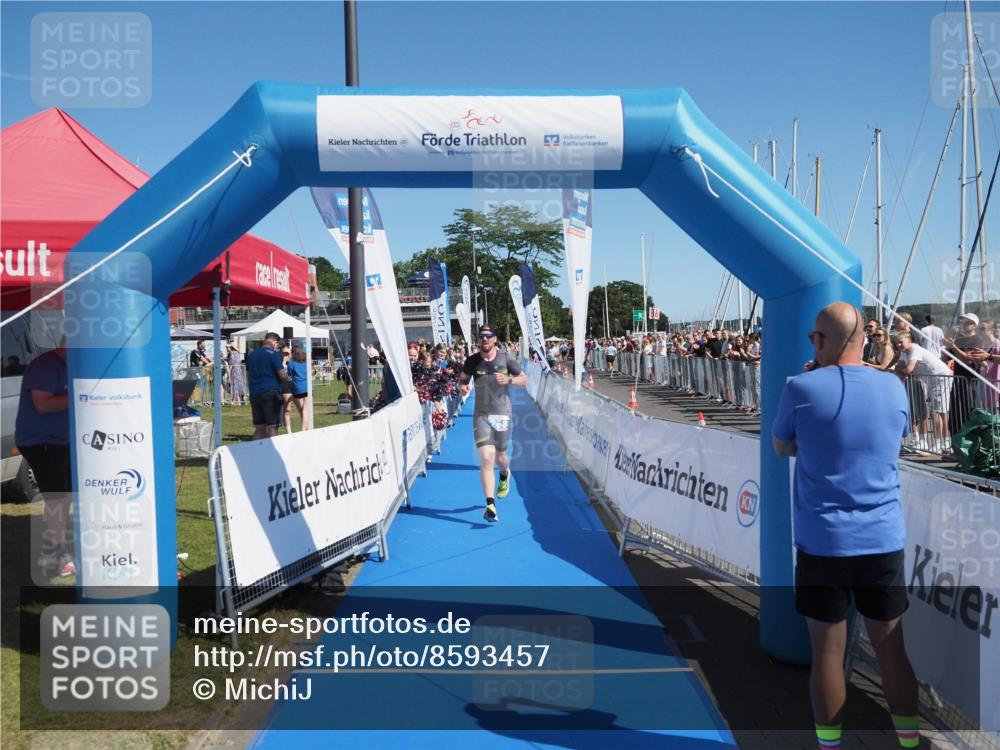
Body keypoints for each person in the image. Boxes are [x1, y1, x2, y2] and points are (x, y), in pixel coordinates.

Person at [772, 302, 919, 750]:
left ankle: (830, 745)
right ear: (863, 340)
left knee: (828, 653)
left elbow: (781, 446)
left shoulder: (800, 387)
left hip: (824, 541)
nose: (811, 343)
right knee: (891, 649)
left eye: (813, 337)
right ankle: (909, 743)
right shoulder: (892, 386)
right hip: (882, 538)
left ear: (822, 340)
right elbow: (895, 439)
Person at [15, 345, 74, 576]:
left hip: (59, 441)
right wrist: (79, 394)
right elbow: (43, 404)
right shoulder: (45, 366)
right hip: (41, 442)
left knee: (63, 496)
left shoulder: (67, 364)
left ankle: (53, 550)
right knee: (57, 499)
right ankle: (55, 554)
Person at [459, 325, 527, 523]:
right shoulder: (472, 361)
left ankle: (505, 474)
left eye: (488, 336)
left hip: (502, 413)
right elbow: (462, 380)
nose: (485, 339)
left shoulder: (506, 358)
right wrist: (462, 387)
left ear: (495, 339)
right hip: (481, 415)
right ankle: (490, 505)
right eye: (482, 336)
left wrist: (509, 380)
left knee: (500, 456)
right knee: (487, 458)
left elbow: (524, 380)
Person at [246, 332, 289, 440]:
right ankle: (272, 449)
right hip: (271, 393)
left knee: (259, 428)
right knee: (272, 426)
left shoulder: (252, 354)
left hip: (255, 393)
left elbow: (248, 374)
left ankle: (256, 449)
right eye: (277, 345)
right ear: (275, 342)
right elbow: (282, 375)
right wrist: (288, 376)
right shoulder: (273, 354)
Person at [286, 345, 311, 431]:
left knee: (302, 410)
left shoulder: (291, 363)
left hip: (297, 388)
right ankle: (304, 429)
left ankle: (305, 429)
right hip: (307, 387)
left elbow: (289, 374)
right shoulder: (306, 362)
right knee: (305, 410)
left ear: (292, 353)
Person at [190, 339, 212, 404]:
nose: (204, 345)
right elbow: (202, 359)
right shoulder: (195, 351)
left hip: (199, 370)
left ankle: (198, 400)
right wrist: (209, 363)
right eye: (203, 344)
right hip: (194, 370)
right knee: (197, 385)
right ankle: (195, 400)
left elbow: (206, 357)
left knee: (200, 384)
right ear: (199, 345)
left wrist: (212, 361)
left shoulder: (201, 351)